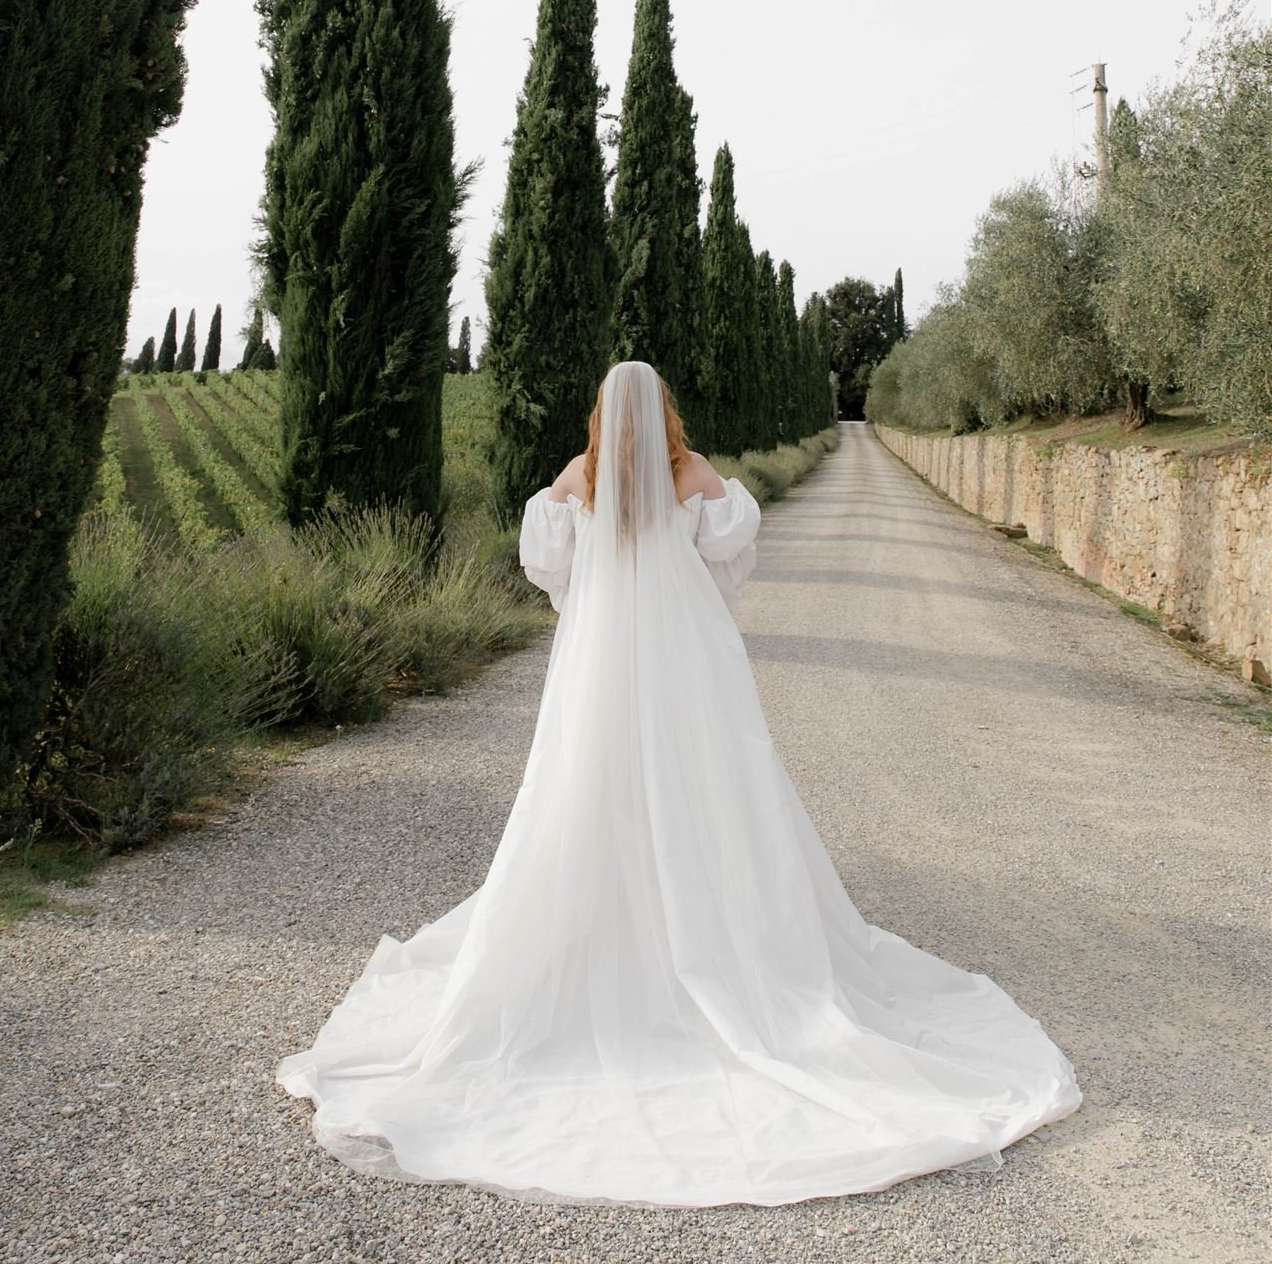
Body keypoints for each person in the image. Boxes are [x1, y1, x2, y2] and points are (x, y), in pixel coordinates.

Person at [276, 359, 1081, 1207]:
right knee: (709, 786)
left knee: (587, 786)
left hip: (599, 669)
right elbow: (734, 539)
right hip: (684, 663)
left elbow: (543, 550)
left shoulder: (579, 474)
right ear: (661, 411)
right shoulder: (687, 473)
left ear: (599, 412)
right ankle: (719, 950)